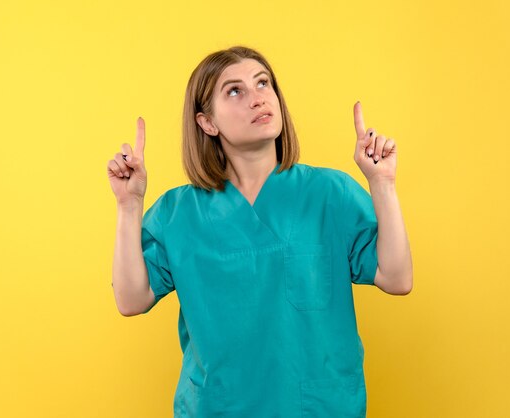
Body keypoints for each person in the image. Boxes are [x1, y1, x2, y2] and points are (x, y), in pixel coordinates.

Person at [108, 45, 413, 418]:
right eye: (235, 91)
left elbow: (397, 278)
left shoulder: (329, 194)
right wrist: (128, 206)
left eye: (263, 83)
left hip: (318, 407)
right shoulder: (179, 213)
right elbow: (131, 300)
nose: (258, 99)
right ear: (207, 122)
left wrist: (382, 183)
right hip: (219, 407)